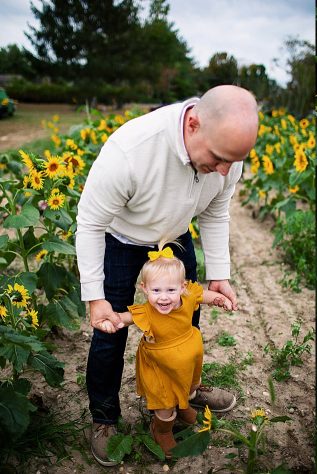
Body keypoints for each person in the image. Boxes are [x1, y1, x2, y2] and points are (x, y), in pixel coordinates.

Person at [76, 85, 259, 466]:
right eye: (220, 159)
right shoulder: (132, 150)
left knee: (185, 320)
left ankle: (185, 391)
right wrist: (95, 297)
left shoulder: (227, 154)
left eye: (234, 161)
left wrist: (219, 274)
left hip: (175, 238)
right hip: (122, 241)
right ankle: (105, 418)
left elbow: (215, 210)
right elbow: (90, 223)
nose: (226, 170)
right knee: (111, 330)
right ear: (193, 124)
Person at [102, 247, 235, 457]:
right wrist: (111, 321)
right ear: (144, 289)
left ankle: (183, 405)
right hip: (160, 367)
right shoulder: (147, 312)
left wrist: (220, 299)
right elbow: (124, 318)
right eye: (156, 291)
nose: (163, 298)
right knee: (164, 402)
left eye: (170, 291)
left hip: (188, 358)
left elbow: (204, 295)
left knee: (189, 383)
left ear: (182, 287)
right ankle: (161, 429)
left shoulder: (189, 296)